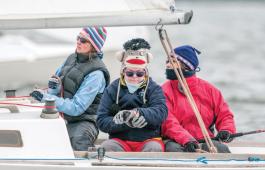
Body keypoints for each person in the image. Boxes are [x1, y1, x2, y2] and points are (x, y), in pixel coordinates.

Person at [30, 27, 110, 151]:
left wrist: (47, 98)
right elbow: (56, 90)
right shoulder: (71, 58)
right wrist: (53, 89)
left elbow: (76, 108)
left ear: (94, 45)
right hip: (63, 116)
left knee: (77, 140)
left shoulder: (96, 74)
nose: (78, 41)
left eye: (83, 40)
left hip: (84, 121)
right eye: (78, 38)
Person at [96, 38, 168, 152]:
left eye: (139, 73)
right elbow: (101, 120)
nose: (134, 77)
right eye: (130, 73)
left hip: (148, 140)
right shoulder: (112, 89)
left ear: (145, 73)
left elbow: (162, 113)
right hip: (120, 140)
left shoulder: (154, 88)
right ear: (123, 71)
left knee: (154, 148)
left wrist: (138, 113)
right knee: (107, 147)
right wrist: (123, 121)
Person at [161, 45, 236, 153]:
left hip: (206, 140)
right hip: (175, 141)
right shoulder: (163, 91)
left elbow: (225, 115)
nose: (167, 65)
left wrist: (226, 130)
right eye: (167, 61)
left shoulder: (210, 90)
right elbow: (168, 122)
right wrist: (187, 140)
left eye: (172, 61)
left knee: (221, 149)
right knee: (175, 150)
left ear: (186, 66)